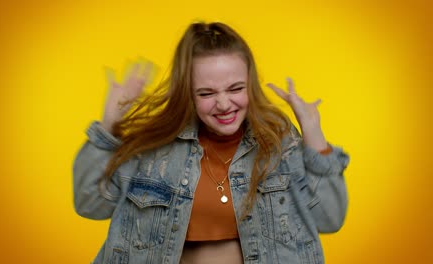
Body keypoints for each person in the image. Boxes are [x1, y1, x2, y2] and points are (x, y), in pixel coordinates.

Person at [73, 21, 349, 264]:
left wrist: (313, 134)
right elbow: (90, 205)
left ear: (250, 85)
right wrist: (108, 126)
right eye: (206, 93)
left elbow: (329, 218)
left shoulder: (278, 142)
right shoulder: (153, 147)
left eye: (236, 89)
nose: (224, 104)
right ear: (188, 94)